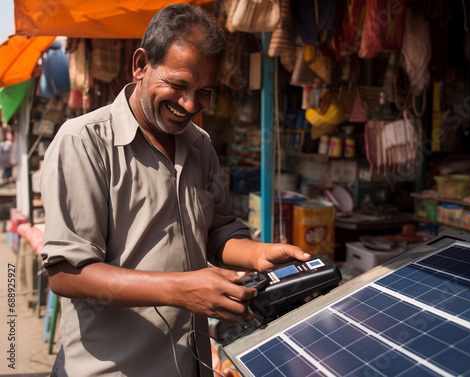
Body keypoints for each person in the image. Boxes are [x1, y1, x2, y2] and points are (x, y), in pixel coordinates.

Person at [40, 4, 310, 377]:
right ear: (140, 65)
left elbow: (219, 231)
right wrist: (181, 290)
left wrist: (259, 254)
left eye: (204, 92)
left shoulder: (200, 145)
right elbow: (66, 273)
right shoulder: (83, 142)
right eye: (178, 85)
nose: (190, 105)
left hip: (190, 365)